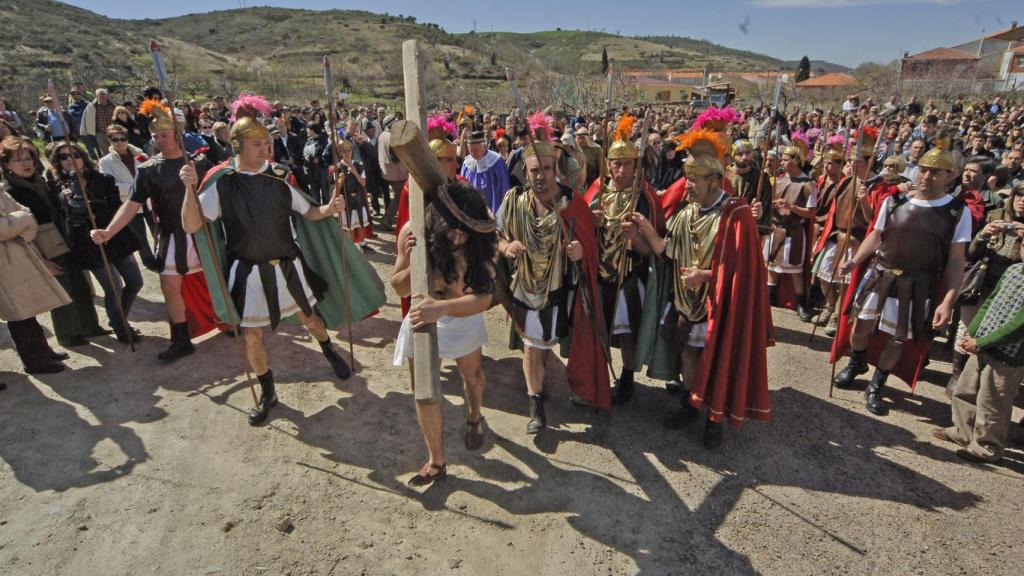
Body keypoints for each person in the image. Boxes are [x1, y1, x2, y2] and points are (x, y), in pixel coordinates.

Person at [181, 117, 385, 425]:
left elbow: (309, 212)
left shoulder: (279, 177)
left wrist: (329, 210)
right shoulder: (223, 183)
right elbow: (191, 224)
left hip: (288, 266)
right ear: (237, 145)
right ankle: (268, 391)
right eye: (257, 144)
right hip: (247, 273)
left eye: (267, 143)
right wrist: (189, 189)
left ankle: (329, 352)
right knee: (251, 336)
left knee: (311, 319)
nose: (266, 149)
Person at [624, 127, 773, 448]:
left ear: (715, 181)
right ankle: (691, 405)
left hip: (720, 305)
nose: (687, 185)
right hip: (686, 302)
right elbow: (666, 250)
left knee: (715, 359)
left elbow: (744, 271)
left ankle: (712, 418)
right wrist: (642, 232)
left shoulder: (736, 213)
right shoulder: (687, 212)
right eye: (687, 178)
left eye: (694, 180)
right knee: (689, 356)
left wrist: (705, 276)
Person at [832, 131, 970, 416]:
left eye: (936, 172)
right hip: (880, 274)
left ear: (950, 176)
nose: (927, 176)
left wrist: (947, 302)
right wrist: (855, 261)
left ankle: (876, 384)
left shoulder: (957, 212)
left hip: (918, 284)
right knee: (860, 328)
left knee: (897, 338)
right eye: (923, 170)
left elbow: (957, 262)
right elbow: (877, 236)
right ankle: (857, 361)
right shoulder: (894, 202)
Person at [495, 138, 609, 433]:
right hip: (524, 287)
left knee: (543, 343)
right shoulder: (514, 200)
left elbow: (589, 247)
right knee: (533, 347)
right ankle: (536, 404)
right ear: (525, 170)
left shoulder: (572, 203)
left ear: (555, 168)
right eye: (534, 170)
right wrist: (507, 247)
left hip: (558, 292)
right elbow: (497, 235)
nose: (540, 176)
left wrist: (580, 252)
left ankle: (545, 383)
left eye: (546, 169)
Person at [91, 100, 219, 361]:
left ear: (177, 135)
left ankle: (230, 321)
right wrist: (109, 231)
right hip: (171, 235)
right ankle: (182, 340)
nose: (160, 140)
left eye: (165, 134)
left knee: (218, 279)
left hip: (203, 234)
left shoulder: (199, 163)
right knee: (170, 287)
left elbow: (218, 197)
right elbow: (132, 204)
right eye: (155, 136)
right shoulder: (149, 169)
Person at [391, 181, 498, 485]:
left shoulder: (485, 241)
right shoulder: (413, 231)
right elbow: (398, 286)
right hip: (422, 317)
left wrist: (445, 308)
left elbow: (484, 298)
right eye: (452, 228)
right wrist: (420, 260)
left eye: (465, 230)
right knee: (423, 390)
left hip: (461, 317)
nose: (459, 236)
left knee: (472, 377)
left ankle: (475, 417)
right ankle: (436, 461)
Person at [2, 136, 109, 348]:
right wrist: (42, 261)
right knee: (62, 290)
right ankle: (68, 335)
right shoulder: (10, 191)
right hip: (41, 246)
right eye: (18, 160)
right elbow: (18, 230)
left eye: (29, 158)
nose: (26, 164)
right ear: (6, 165)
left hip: (64, 238)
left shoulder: (42, 182)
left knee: (79, 285)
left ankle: (89, 326)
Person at [933, 238, 1024, 463]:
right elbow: (989, 302)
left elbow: (1018, 325)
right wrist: (972, 331)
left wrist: (983, 342)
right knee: (967, 390)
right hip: (982, 343)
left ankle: (988, 445)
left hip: (1007, 354)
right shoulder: (1013, 270)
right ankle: (963, 432)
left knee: (993, 400)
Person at [48, 142, 142, 343]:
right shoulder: (60, 189)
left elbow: (116, 208)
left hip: (115, 236)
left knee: (135, 282)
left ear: (83, 156)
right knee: (113, 288)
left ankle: (118, 318)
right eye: (64, 157)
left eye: (75, 154)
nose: (70, 159)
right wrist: (73, 208)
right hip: (89, 245)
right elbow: (66, 222)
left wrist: (96, 215)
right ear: (59, 163)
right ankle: (121, 328)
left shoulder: (103, 179)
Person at [1, 180, 73, 374]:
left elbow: (28, 214)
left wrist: (20, 230)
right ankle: (34, 362)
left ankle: (43, 352)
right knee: (19, 315)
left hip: (18, 256)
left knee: (28, 312)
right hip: (4, 266)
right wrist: (19, 222)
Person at [764, 136, 816, 322]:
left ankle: (801, 304)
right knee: (771, 266)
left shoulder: (807, 184)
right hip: (775, 229)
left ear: (795, 161)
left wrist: (791, 207)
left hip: (794, 232)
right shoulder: (777, 180)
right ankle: (768, 300)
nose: (782, 162)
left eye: (785, 159)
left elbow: (811, 213)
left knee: (794, 269)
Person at [98, 124, 159, 269]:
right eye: (115, 139)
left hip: (149, 200)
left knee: (157, 230)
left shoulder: (141, 155)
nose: (119, 142)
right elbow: (110, 184)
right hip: (129, 202)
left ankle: (160, 256)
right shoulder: (105, 162)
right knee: (140, 236)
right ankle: (149, 261)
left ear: (127, 138)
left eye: (122, 138)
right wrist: (134, 187)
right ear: (109, 141)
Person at [334, 140, 371, 250]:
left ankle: (362, 243)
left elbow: (363, 182)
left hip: (359, 199)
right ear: (340, 152)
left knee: (360, 222)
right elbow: (335, 188)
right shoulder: (338, 167)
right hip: (346, 200)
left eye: (349, 150)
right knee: (348, 224)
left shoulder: (358, 165)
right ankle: (350, 247)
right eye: (344, 151)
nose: (347, 153)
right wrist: (340, 180)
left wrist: (355, 172)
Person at [377, 114, 407, 229]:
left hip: (387, 172)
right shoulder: (392, 137)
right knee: (399, 196)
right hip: (396, 173)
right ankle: (387, 219)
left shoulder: (382, 135)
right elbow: (395, 158)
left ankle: (392, 217)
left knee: (398, 195)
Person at [81, 88, 116, 160]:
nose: (102, 97)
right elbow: (86, 119)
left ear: (106, 96)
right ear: (96, 96)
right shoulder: (92, 106)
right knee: (105, 151)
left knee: (115, 148)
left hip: (113, 132)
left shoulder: (113, 104)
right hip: (100, 133)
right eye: (100, 96)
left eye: (103, 96)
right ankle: (108, 165)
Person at [302, 123, 330, 204]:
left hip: (321, 169)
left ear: (312, 130)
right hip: (312, 170)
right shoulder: (309, 140)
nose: (307, 131)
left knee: (325, 190)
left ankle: (327, 211)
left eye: (308, 129)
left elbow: (319, 154)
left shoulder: (323, 139)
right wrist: (311, 158)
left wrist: (313, 157)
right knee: (314, 191)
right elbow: (305, 153)